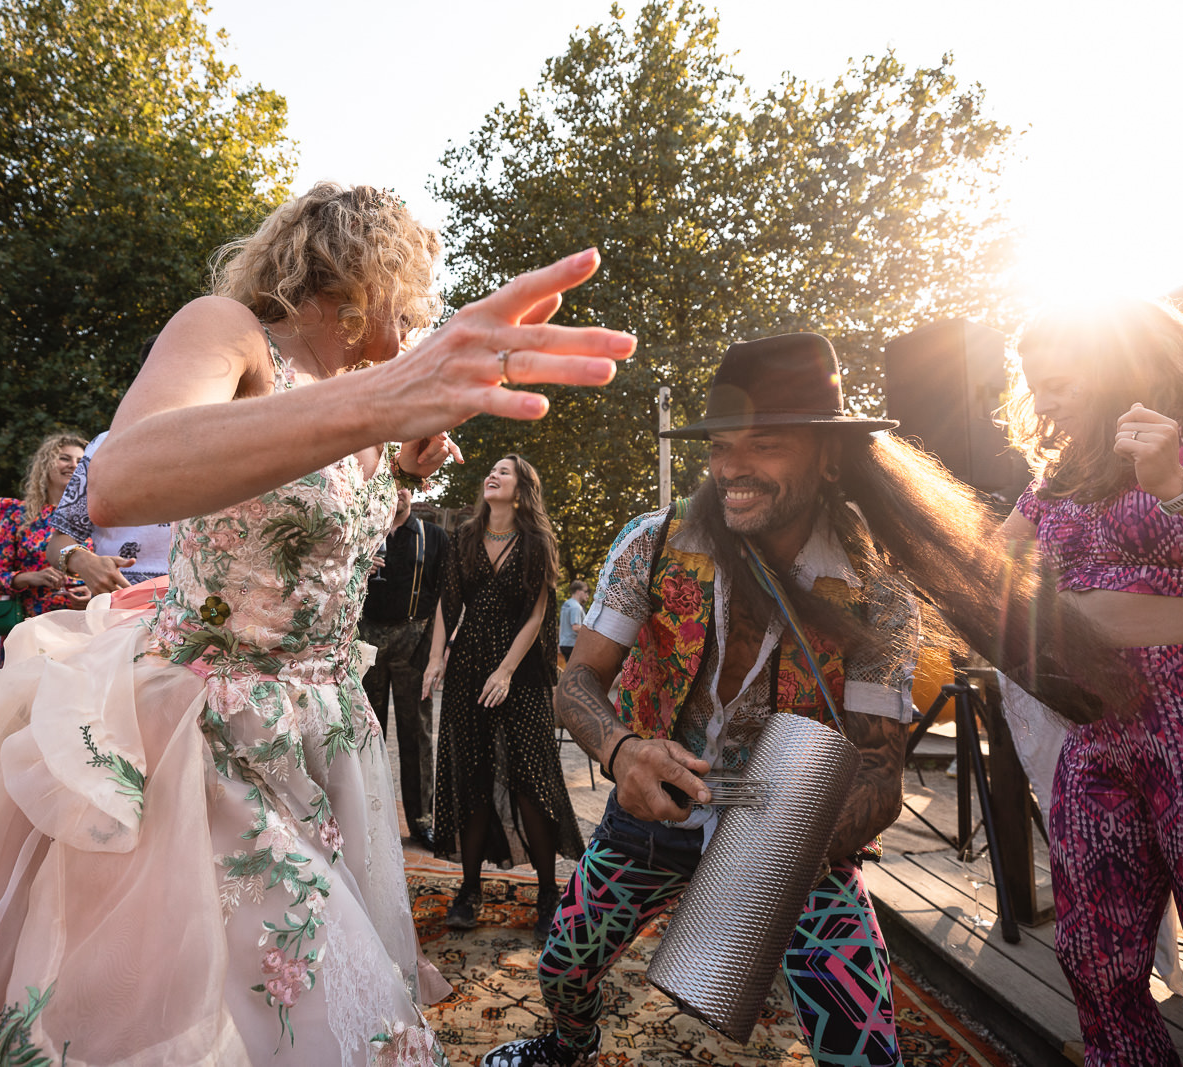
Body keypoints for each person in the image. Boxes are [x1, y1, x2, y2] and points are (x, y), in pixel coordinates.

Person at [0, 182, 636, 1066]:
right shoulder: (231, 333)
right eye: (419, 288)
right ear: (365, 273)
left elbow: (319, 546)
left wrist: (396, 474)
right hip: (208, 727)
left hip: (327, 728)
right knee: (286, 998)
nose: (426, 314)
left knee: (274, 1012)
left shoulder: (356, 397)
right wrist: (390, 396)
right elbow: (118, 478)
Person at [483, 332, 1130, 1067]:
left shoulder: (876, 588)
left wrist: (767, 865)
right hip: (653, 809)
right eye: (722, 447)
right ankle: (570, 1045)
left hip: (798, 840)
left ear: (829, 456)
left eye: (764, 445)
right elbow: (576, 683)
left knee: (865, 1051)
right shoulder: (654, 541)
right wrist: (621, 750)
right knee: (563, 966)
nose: (733, 470)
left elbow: (880, 775)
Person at [999, 300, 1183, 1065]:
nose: (1042, 403)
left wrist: (1179, 483)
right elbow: (992, 561)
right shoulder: (1064, 468)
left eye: (1055, 382)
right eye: (1034, 387)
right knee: (1094, 956)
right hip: (1100, 727)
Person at [424, 455, 584, 940]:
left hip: (521, 673)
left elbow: (536, 616)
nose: (492, 476)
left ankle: (547, 893)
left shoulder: (537, 541)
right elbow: (447, 605)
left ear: (522, 489)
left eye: (505, 472)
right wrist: (436, 660)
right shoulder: (465, 537)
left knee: (530, 781)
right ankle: (469, 890)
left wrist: (507, 671)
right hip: (470, 667)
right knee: (469, 777)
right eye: (491, 471)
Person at [359, 486, 448, 847]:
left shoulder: (434, 536)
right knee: (366, 731)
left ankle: (421, 821)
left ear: (413, 492)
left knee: (417, 733)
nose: (397, 495)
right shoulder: (362, 533)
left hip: (414, 639)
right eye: (389, 487)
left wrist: (440, 651)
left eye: (403, 488)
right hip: (366, 639)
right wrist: (360, 568)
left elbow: (447, 594)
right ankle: (365, 816)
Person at [45, 427, 169, 596]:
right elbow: (59, 541)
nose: (72, 465)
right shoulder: (104, 446)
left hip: (207, 608)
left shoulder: (215, 435)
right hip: (122, 605)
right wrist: (84, 562)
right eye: (64, 459)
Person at [0, 434, 89, 617]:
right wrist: (31, 577)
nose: (74, 465)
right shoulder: (16, 514)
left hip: (84, 625)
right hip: (30, 624)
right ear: (45, 466)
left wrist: (95, 595)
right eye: (64, 458)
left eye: (81, 461)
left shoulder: (97, 517)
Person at [557, 580, 588, 664]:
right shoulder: (576, 607)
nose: (587, 595)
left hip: (564, 644)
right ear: (578, 592)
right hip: (573, 645)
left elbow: (562, 625)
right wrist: (590, 631)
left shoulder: (566, 604)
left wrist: (560, 643)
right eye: (585, 592)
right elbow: (575, 627)